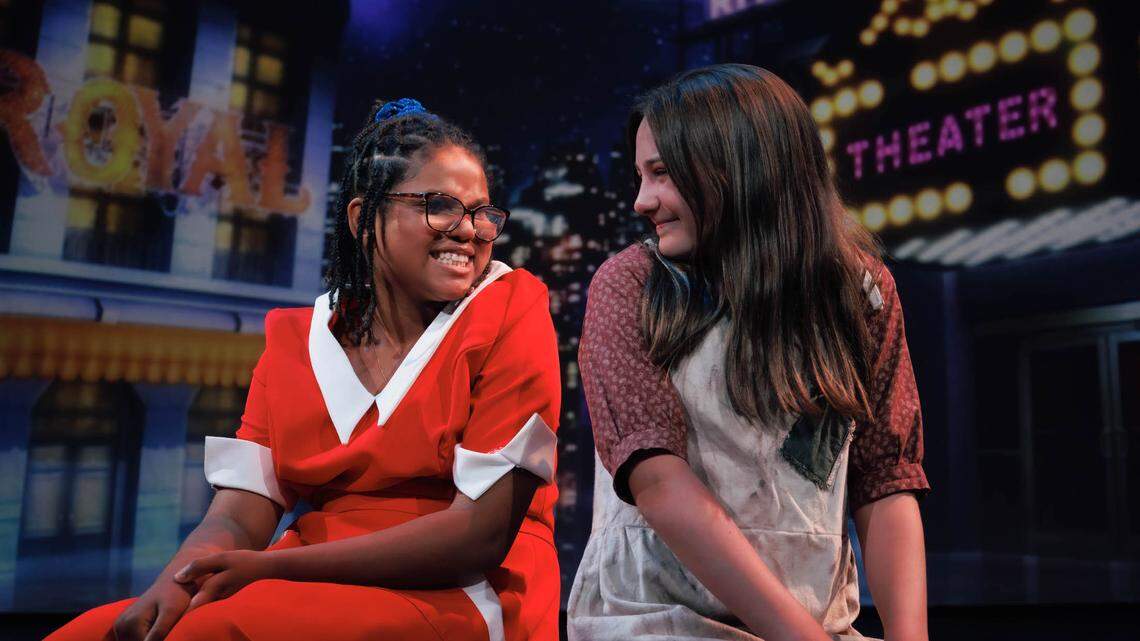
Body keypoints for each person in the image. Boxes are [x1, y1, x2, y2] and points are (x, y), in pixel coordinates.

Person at [48, 99, 562, 641]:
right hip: (304, 575)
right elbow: (240, 516)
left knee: (219, 632)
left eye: (482, 213)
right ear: (365, 218)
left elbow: (478, 538)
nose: (469, 230)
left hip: (459, 589)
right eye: (440, 206)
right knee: (93, 633)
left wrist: (271, 567)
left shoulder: (511, 308)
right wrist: (179, 582)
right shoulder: (297, 338)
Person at [567, 64, 931, 641]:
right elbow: (657, 481)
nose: (641, 200)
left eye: (661, 174)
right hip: (660, 624)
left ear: (737, 166)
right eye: (640, 176)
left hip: (821, 624)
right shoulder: (630, 285)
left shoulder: (863, 292)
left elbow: (886, 480)